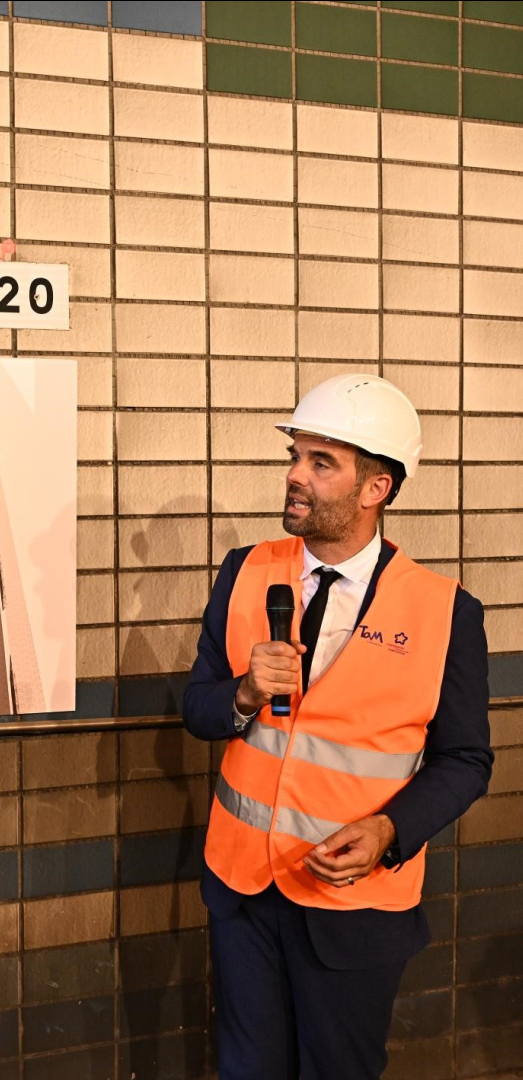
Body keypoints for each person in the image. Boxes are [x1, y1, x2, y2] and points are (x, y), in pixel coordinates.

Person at [183, 374, 492, 1080]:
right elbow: (198, 710)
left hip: (354, 905)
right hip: (242, 894)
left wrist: (388, 832)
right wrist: (243, 693)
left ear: (375, 487)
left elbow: (466, 760)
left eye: (322, 463)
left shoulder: (447, 612)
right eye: (296, 455)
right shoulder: (243, 572)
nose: (295, 476)